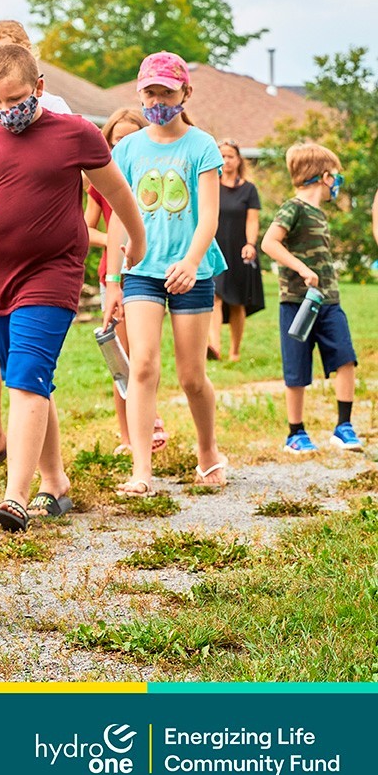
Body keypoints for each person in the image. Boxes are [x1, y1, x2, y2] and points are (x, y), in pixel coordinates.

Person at [0, 45, 146, 531]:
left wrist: (138, 240)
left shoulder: (75, 133)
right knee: (29, 379)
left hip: (53, 272)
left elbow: (116, 194)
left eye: (16, 99)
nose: (7, 111)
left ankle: (15, 496)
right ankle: (55, 480)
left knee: (26, 378)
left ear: (40, 88)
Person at [104, 51, 229, 497]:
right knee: (143, 366)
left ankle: (208, 450)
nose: (157, 100)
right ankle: (142, 470)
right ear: (139, 93)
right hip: (141, 270)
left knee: (192, 375)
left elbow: (209, 217)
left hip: (191, 271)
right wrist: (113, 281)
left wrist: (192, 263)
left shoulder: (202, 147)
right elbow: (119, 216)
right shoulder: (127, 150)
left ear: (185, 93)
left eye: (166, 92)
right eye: (150, 92)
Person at [0, 20, 69, 485]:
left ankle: (41, 480)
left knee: (28, 375)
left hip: (43, 263)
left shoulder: (60, 113)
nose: (4, 108)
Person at [260, 143, 362, 453]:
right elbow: (269, 243)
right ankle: (296, 433)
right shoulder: (293, 208)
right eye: (337, 177)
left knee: (345, 358)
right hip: (297, 302)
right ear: (325, 176)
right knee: (297, 368)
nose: (338, 184)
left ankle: (343, 426)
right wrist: (302, 269)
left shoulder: (319, 213)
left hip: (328, 301)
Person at [84, 107, 168, 456]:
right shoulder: (101, 186)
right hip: (114, 274)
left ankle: (149, 420)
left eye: (132, 137)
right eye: (118, 139)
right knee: (121, 360)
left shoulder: (157, 178)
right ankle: (127, 436)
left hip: (154, 273)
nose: (125, 144)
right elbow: (86, 229)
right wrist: (121, 240)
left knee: (145, 356)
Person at [207, 138, 264, 361]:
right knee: (215, 298)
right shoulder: (210, 184)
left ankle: (235, 351)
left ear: (238, 159)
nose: (226, 160)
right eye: (222, 156)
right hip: (214, 248)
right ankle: (215, 348)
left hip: (239, 250)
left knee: (237, 302)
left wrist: (251, 244)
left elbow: (252, 220)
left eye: (230, 155)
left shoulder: (249, 190)